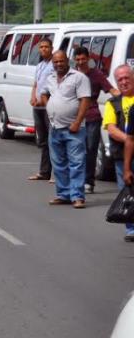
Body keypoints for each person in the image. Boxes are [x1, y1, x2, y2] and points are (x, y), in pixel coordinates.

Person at [40, 50, 91, 209]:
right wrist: (49, 106)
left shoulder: (79, 77)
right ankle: (63, 194)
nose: (58, 64)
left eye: (61, 61)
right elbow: (43, 93)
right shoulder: (51, 78)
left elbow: (85, 101)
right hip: (55, 128)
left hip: (73, 128)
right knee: (59, 163)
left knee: (76, 163)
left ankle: (77, 196)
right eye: (55, 62)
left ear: (67, 61)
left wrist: (77, 122)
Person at [73, 46, 119, 193]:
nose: (80, 62)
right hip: (74, 118)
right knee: (75, 150)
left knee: (91, 149)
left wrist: (126, 96)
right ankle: (74, 179)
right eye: (78, 59)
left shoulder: (96, 75)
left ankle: (88, 182)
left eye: (83, 59)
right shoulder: (71, 75)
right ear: (75, 60)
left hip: (92, 117)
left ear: (88, 59)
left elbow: (111, 90)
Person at [106, 65, 134, 241]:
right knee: (127, 191)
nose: (124, 82)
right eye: (120, 79)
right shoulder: (112, 103)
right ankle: (131, 227)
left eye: (127, 77)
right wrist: (129, 140)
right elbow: (111, 128)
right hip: (121, 155)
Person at [29, 38, 56, 181]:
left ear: (51, 48)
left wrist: (43, 100)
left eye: (46, 47)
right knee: (43, 140)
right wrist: (33, 97)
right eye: (41, 47)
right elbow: (35, 84)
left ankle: (55, 173)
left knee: (53, 140)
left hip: (48, 106)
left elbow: (55, 87)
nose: (44, 49)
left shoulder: (54, 65)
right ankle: (44, 171)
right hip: (38, 107)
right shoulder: (39, 65)